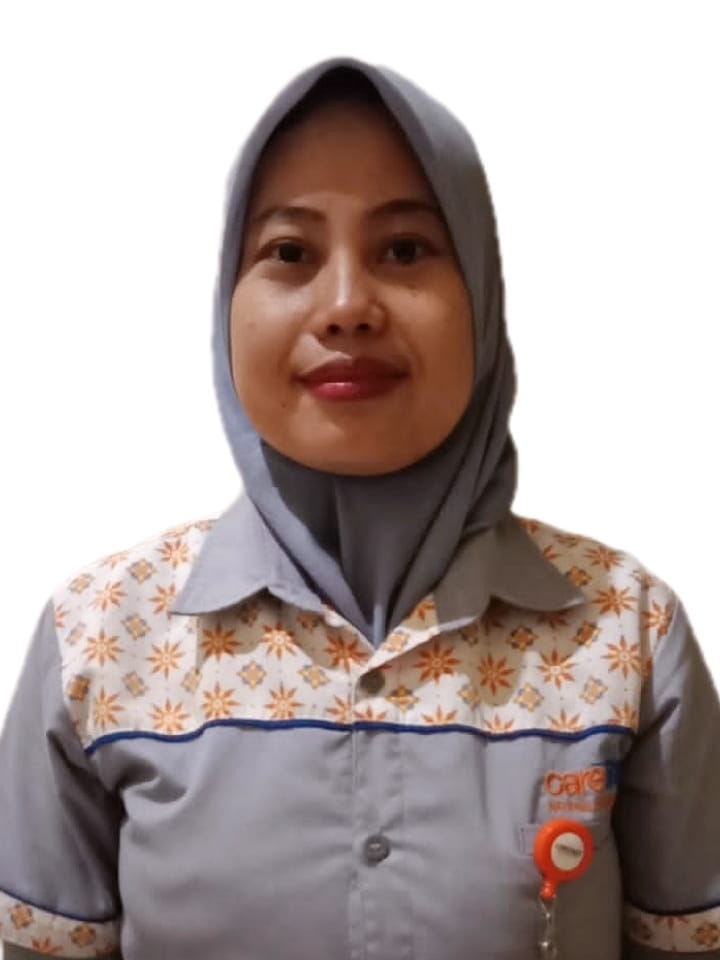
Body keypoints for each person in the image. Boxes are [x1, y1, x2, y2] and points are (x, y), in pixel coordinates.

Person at [1, 56, 718, 960]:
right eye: (290, 253)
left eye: (405, 250)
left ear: (483, 297)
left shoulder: (626, 631)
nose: (346, 307)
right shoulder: (103, 637)